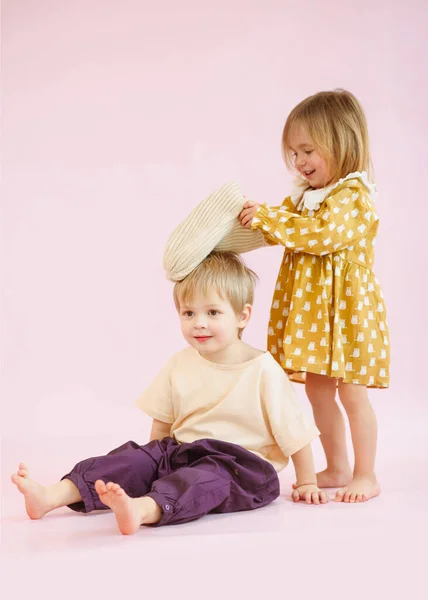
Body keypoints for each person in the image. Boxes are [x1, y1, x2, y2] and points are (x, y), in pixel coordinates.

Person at [12, 252, 326, 536]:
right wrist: (149, 462)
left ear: (243, 316)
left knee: (202, 480)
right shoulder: (181, 362)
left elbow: (295, 434)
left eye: (213, 312)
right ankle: (51, 496)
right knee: (128, 460)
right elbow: (162, 423)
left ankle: (143, 509)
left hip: (239, 466)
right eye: (188, 313)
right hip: (181, 451)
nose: (199, 324)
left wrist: (307, 481)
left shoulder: (264, 370)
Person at [239, 90, 390, 503]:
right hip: (317, 313)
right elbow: (280, 224)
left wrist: (272, 218)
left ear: (342, 143)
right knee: (319, 391)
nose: (300, 162)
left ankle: (366, 473)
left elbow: (321, 236)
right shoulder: (306, 196)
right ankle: (338, 464)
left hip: (346, 311)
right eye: (294, 153)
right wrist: (256, 217)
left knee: (352, 393)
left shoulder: (354, 195)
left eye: (308, 150)